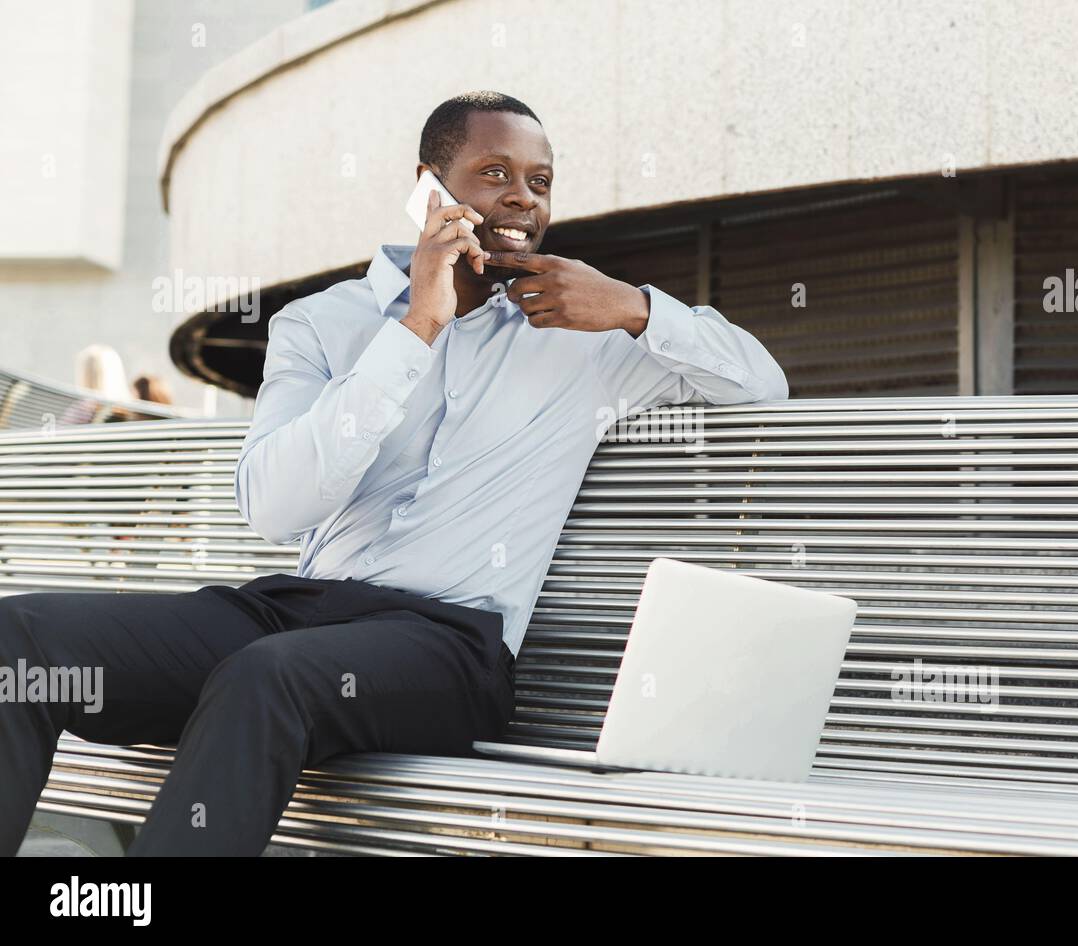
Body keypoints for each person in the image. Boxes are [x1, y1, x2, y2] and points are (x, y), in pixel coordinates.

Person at [0, 90, 788, 857]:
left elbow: (762, 382)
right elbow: (276, 506)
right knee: (21, 640)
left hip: (447, 648)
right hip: (291, 613)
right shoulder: (323, 323)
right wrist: (416, 328)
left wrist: (638, 309)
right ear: (429, 190)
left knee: (265, 676)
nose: (523, 199)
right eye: (496, 174)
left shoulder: (584, 340)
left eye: (539, 182)